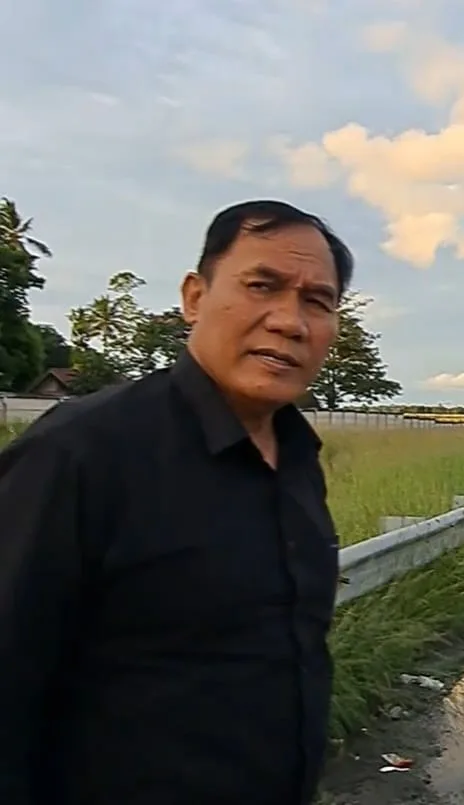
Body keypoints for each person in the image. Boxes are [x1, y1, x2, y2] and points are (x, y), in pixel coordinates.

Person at [0, 199, 352, 805]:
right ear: (194, 297)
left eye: (317, 301)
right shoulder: (79, 453)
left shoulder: (297, 457)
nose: (290, 322)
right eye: (262, 286)